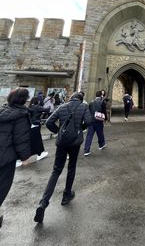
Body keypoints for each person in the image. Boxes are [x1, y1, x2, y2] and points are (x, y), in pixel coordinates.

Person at [34, 92, 92, 224]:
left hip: (62, 142)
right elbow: (89, 121)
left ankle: (43, 203)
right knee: (71, 167)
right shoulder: (83, 107)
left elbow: (49, 122)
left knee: (56, 171)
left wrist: (58, 131)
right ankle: (66, 195)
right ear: (81, 99)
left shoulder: (62, 107)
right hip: (75, 142)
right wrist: (80, 128)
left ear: (70, 98)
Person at [0, 88, 31, 228]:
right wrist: (25, 157)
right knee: (3, 186)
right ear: (23, 100)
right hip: (6, 157)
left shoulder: (2, 110)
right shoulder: (21, 114)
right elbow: (20, 138)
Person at [83, 90, 107, 156]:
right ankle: (101, 145)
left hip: (91, 120)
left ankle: (86, 150)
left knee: (89, 135)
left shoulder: (91, 102)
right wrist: (105, 119)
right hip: (98, 120)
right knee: (100, 133)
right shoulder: (102, 102)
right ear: (101, 95)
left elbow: (89, 111)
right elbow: (104, 111)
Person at [28, 97, 50, 161]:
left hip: (30, 125)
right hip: (35, 125)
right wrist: (48, 105)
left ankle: (40, 153)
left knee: (32, 141)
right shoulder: (37, 107)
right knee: (37, 140)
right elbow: (47, 109)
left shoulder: (30, 106)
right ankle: (40, 154)